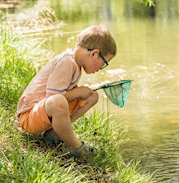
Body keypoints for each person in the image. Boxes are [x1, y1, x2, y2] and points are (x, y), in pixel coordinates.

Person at [16, 25, 117, 158]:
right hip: (29, 117)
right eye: (104, 63)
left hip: (43, 112)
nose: (101, 69)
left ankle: (55, 133)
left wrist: (81, 92)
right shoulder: (67, 62)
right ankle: (75, 147)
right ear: (94, 53)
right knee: (58, 101)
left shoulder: (76, 64)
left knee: (92, 96)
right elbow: (54, 98)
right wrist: (78, 91)